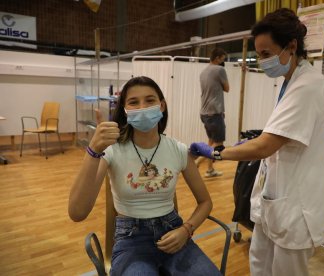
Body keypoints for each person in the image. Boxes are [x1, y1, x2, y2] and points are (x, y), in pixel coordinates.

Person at [190, 8, 324, 276]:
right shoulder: (289, 81)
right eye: (259, 54)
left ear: (291, 46)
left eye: (266, 54)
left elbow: (267, 145)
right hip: (275, 199)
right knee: (260, 264)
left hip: (296, 206)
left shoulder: (309, 85)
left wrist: (218, 153)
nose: (262, 60)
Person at [68, 76, 221, 276]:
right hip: (131, 241)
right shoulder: (112, 150)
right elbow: (77, 212)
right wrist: (94, 150)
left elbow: (205, 202)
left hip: (173, 232)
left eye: (150, 100)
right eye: (133, 102)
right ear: (124, 109)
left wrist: (186, 230)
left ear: (162, 105)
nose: (142, 107)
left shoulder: (178, 150)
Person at [195, 47, 230, 177]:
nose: (223, 62)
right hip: (214, 113)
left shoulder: (203, 72)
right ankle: (197, 162)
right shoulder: (220, 70)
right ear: (217, 58)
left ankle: (210, 170)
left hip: (205, 113)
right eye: (222, 59)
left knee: (211, 142)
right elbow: (227, 88)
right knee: (218, 145)